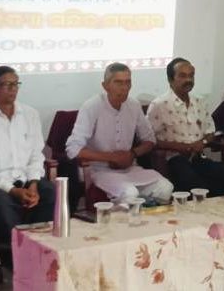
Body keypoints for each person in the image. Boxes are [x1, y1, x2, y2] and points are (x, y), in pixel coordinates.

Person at [0, 66, 54, 266]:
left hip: (26, 177)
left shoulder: (30, 114)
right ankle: (17, 261)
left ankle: (42, 253)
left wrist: (33, 183)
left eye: (15, 84)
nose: (13, 89)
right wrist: (12, 190)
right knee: (2, 203)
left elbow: (36, 154)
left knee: (50, 192)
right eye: (7, 85)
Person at [66, 62, 173, 203]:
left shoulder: (134, 105)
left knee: (165, 187)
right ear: (105, 86)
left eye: (128, 82)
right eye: (118, 82)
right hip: (99, 169)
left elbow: (150, 140)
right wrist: (111, 157)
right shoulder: (92, 106)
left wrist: (132, 154)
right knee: (130, 193)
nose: (124, 87)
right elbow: (73, 149)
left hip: (130, 168)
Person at [148, 58, 224, 197]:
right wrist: (182, 147)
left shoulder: (199, 101)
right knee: (194, 182)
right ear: (170, 80)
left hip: (198, 157)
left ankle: (220, 210)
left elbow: (210, 132)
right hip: (174, 159)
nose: (188, 79)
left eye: (191, 75)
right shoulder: (159, 105)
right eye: (182, 76)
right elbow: (149, 140)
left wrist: (203, 142)